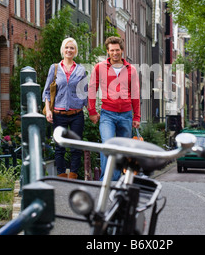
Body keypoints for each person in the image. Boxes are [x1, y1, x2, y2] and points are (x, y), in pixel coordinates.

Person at [88, 36, 141, 181]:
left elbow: (136, 94)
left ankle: (114, 180)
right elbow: (92, 89)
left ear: (122, 50)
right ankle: (105, 180)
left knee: (121, 150)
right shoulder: (99, 68)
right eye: (112, 50)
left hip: (126, 115)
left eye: (117, 50)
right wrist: (92, 111)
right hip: (107, 115)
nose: (115, 53)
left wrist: (137, 117)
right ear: (108, 51)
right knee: (108, 145)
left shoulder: (131, 70)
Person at [43, 37, 87, 179]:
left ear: (75, 51)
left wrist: (92, 112)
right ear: (63, 50)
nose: (69, 50)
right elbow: (46, 92)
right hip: (58, 113)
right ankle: (62, 176)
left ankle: (73, 175)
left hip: (76, 114)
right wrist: (48, 110)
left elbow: (85, 93)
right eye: (67, 47)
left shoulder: (81, 70)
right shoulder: (54, 68)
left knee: (75, 147)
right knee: (59, 147)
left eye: (72, 48)